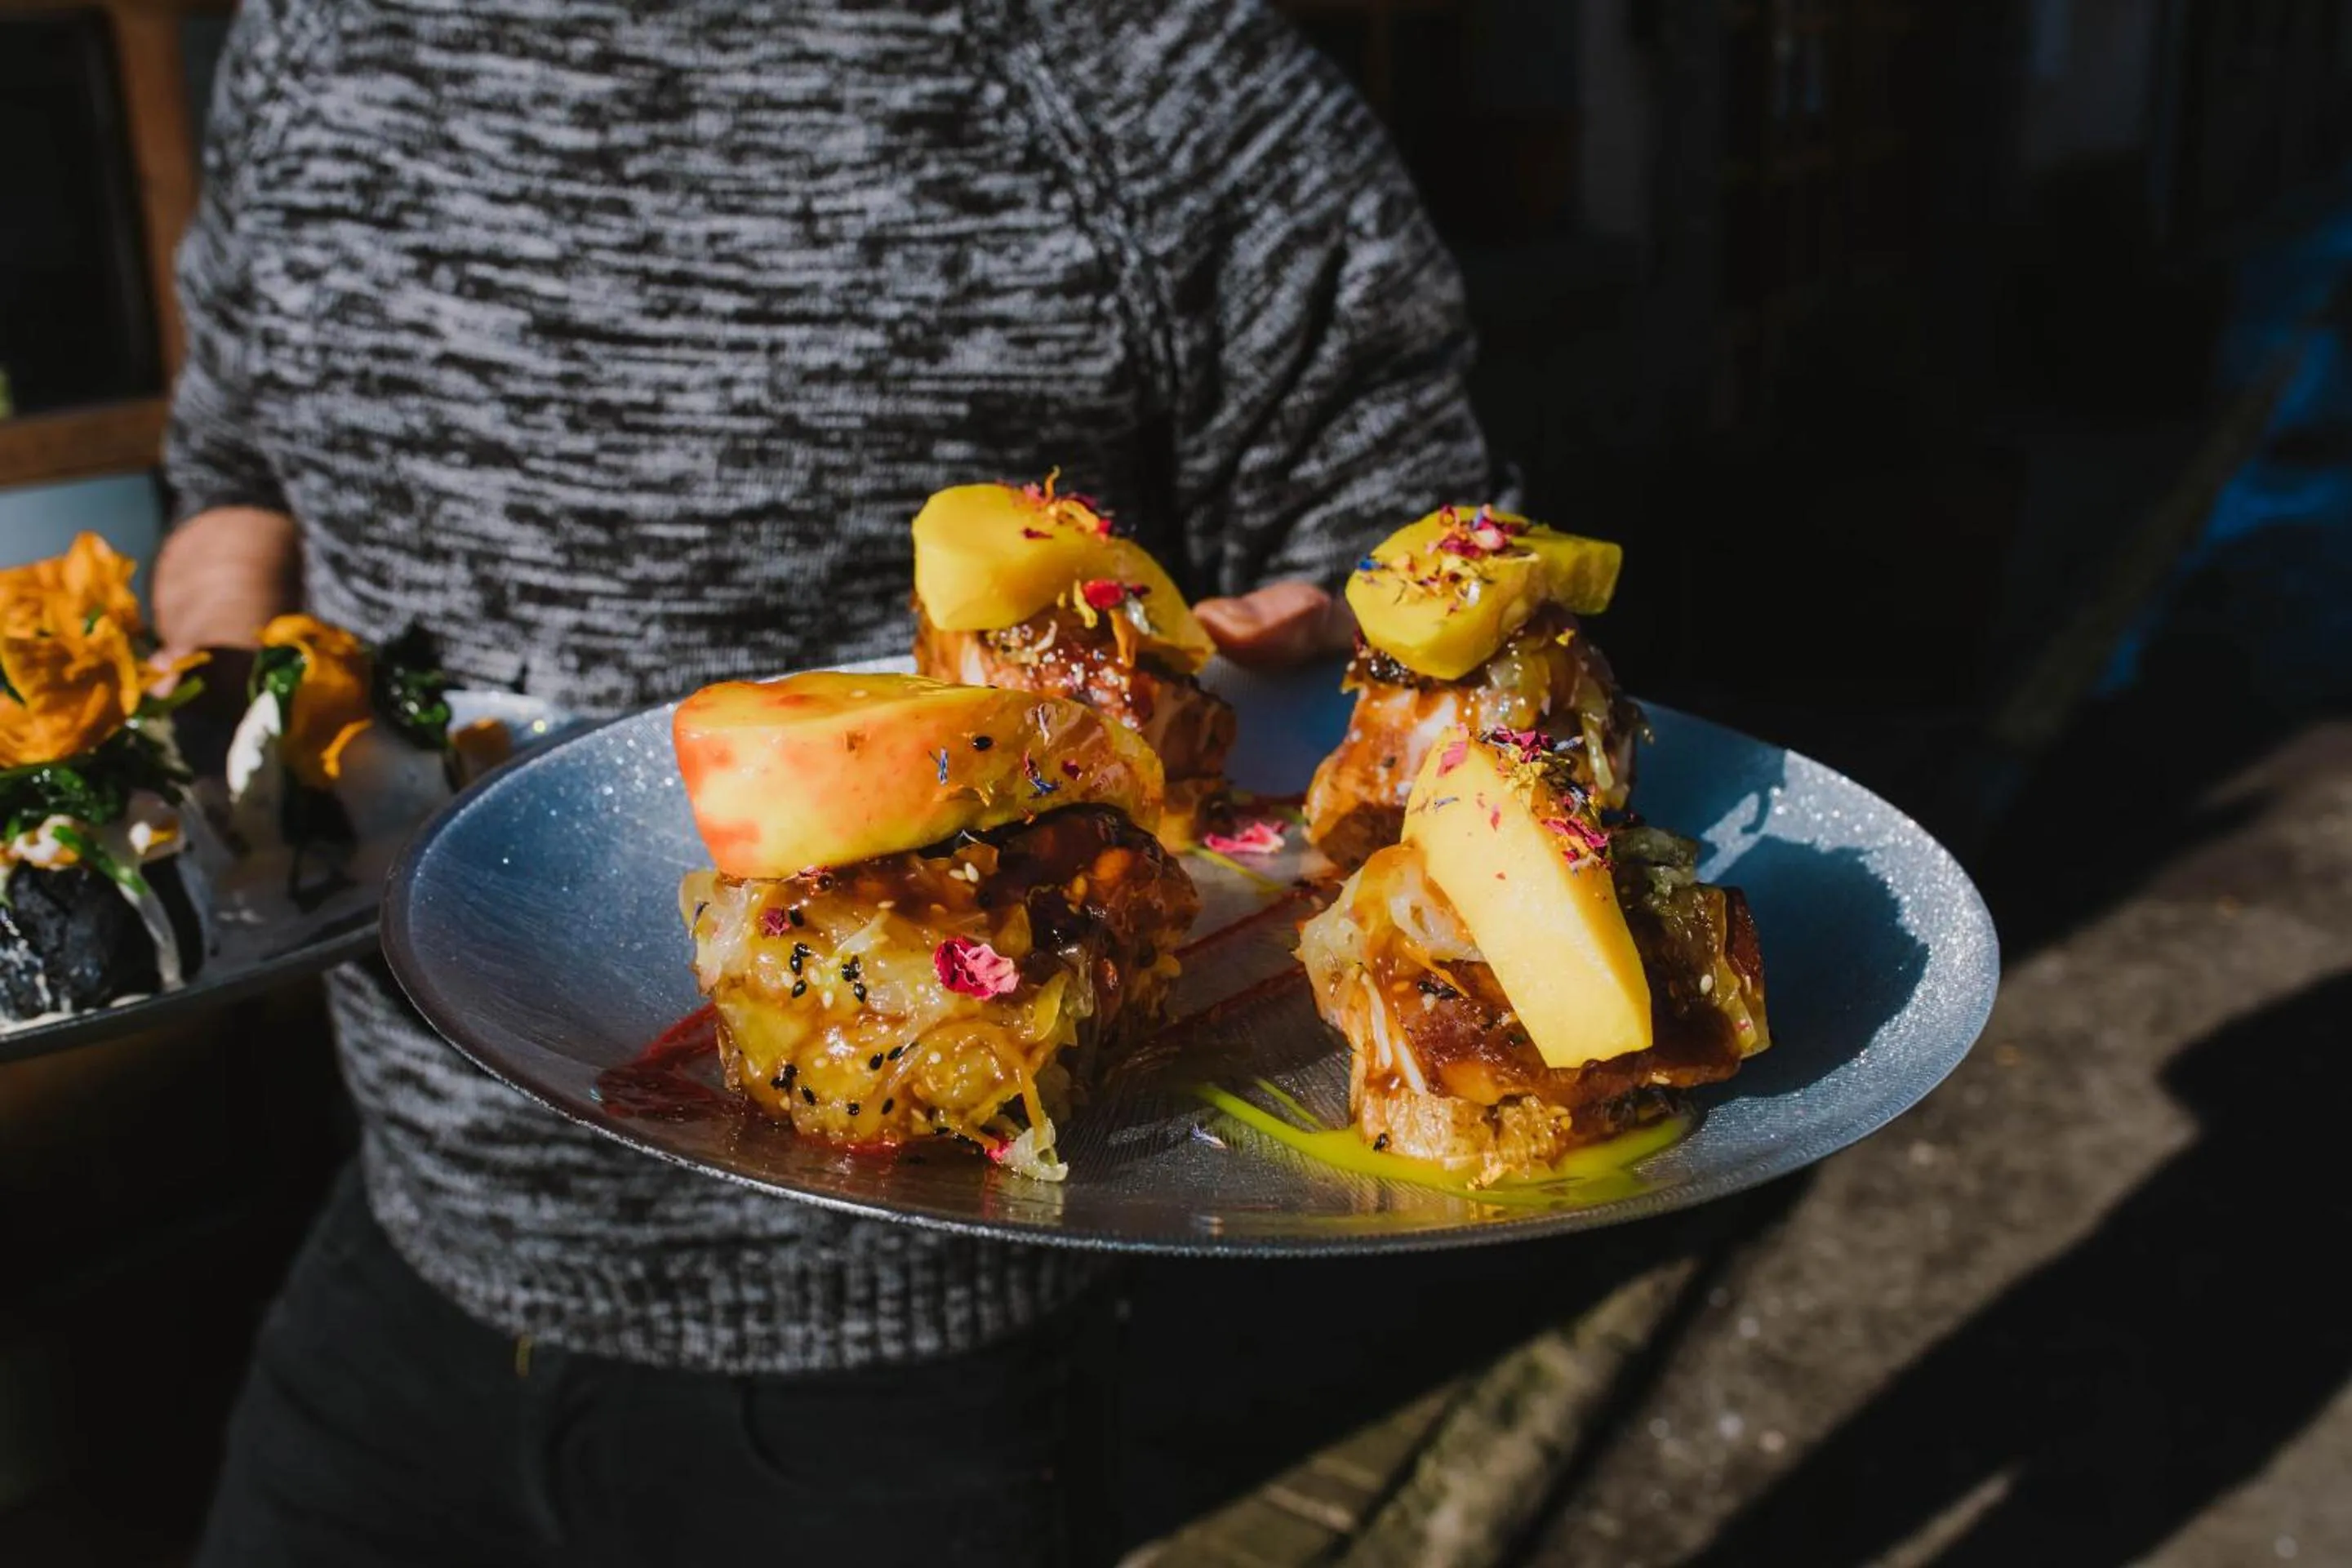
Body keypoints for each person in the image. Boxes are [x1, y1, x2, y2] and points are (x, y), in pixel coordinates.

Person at [158, 1, 1492, 1561]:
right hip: (407, 1250)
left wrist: (1337, 663)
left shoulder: (1134, 54)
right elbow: (230, 483)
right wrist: (221, 714)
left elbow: (1422, 540)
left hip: (908, 1364)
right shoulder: (315, 33)